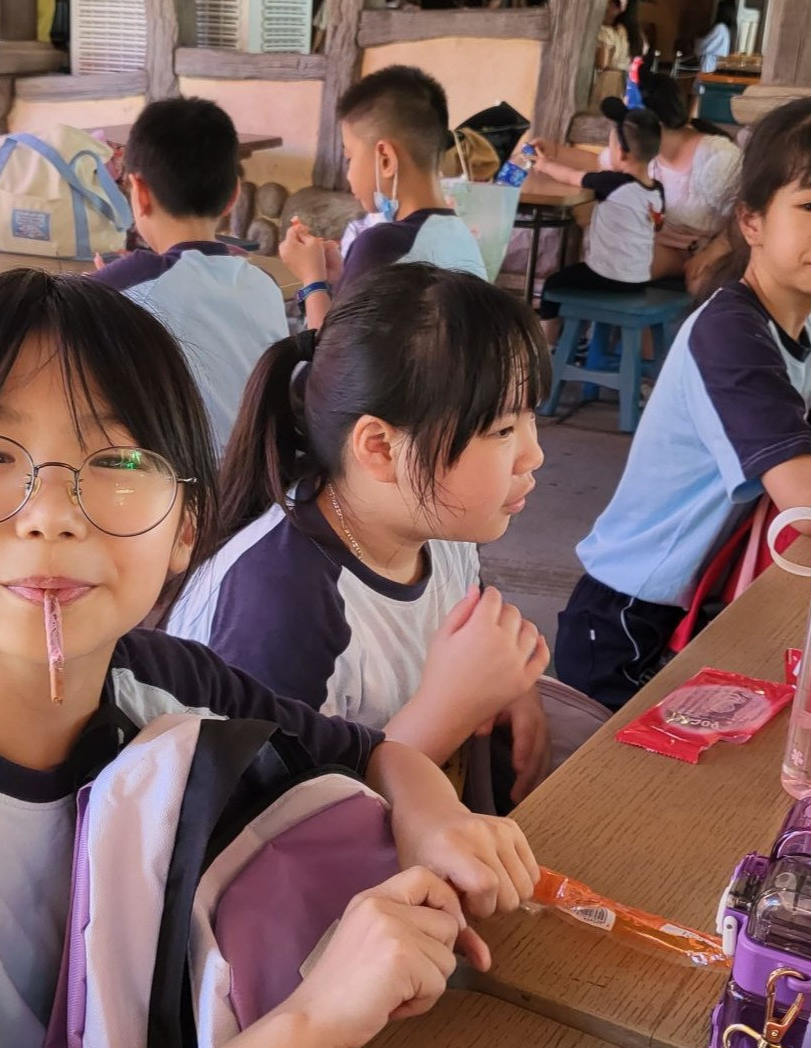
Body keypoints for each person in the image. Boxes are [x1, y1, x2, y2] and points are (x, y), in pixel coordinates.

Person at [0, 268, 540, 1048]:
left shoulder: (172, 684)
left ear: (185, 527)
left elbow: (375, 753)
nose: (51, 512)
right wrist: (314, 1019)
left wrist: (431, 818)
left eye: (119, 458)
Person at [168, 265, 556, 809]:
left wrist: (514, 687)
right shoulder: (279, 609)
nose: (533, 454)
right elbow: (271, 822)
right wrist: (452, 708)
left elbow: (469, 625)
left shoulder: (438, 526)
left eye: (531, 417)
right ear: (380, 447)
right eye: (503, 430)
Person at [554, 98, 811, 712]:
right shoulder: (731, 336)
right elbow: (805, 501)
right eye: (810, 209)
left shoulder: (799, 325)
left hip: (703, 608)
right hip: (630, 624)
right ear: (751, 221)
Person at [92, 96, 288, 457]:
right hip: (260, 475)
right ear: (233, 197)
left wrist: (103, 285)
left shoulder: (118, 287)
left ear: (140, 192)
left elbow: (58, 312)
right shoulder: (265, 285)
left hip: (178, 479)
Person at [278, 65, 485, 331]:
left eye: (350, 158)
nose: (349, 175)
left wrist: (312, 281)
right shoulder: (462, 237)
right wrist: (344, 277)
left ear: (386, 159)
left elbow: (326, 350)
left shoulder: (384, 243)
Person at [535, 72, 740, 292]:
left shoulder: (715, 157)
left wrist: (711, 254)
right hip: (662, 247)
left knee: (699, 282)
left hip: (715, 249)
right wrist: (555, 152)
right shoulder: (641, 151)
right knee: (612, 268)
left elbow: (745, 215)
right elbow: (598, 163)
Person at [534, 99, 664, 336]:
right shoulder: (657, 191)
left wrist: (544, 165)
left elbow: (571, 176)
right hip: (639, 279)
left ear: (621, 153)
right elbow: (658, 226)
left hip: (605, 277)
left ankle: (548, 343)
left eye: (609, 147)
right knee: (577, 279)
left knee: (553, 284)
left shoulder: (611, 183)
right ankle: (576, 339)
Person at [695, 0, 736, 74]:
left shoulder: (720, 28)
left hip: (709, 67)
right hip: (716, 68)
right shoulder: (729, 30)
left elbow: (704, 46)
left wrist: (696, 41)